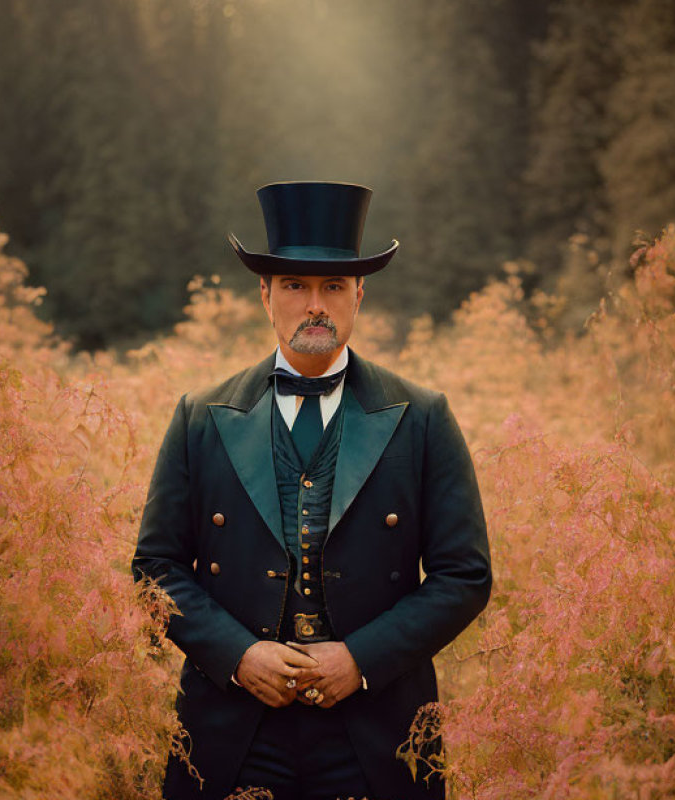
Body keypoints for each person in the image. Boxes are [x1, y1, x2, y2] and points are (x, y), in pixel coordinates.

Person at [132, 181, 492, 800]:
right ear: (265, 294)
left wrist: (362, 659)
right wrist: (240, 655)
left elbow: (465, 575)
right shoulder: (200, 415)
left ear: (360, 294)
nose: (314, 305)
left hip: (378, 733)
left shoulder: (424, 417)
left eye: (333, 287)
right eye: (296, 286)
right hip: (231, 730)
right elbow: (155, 568)